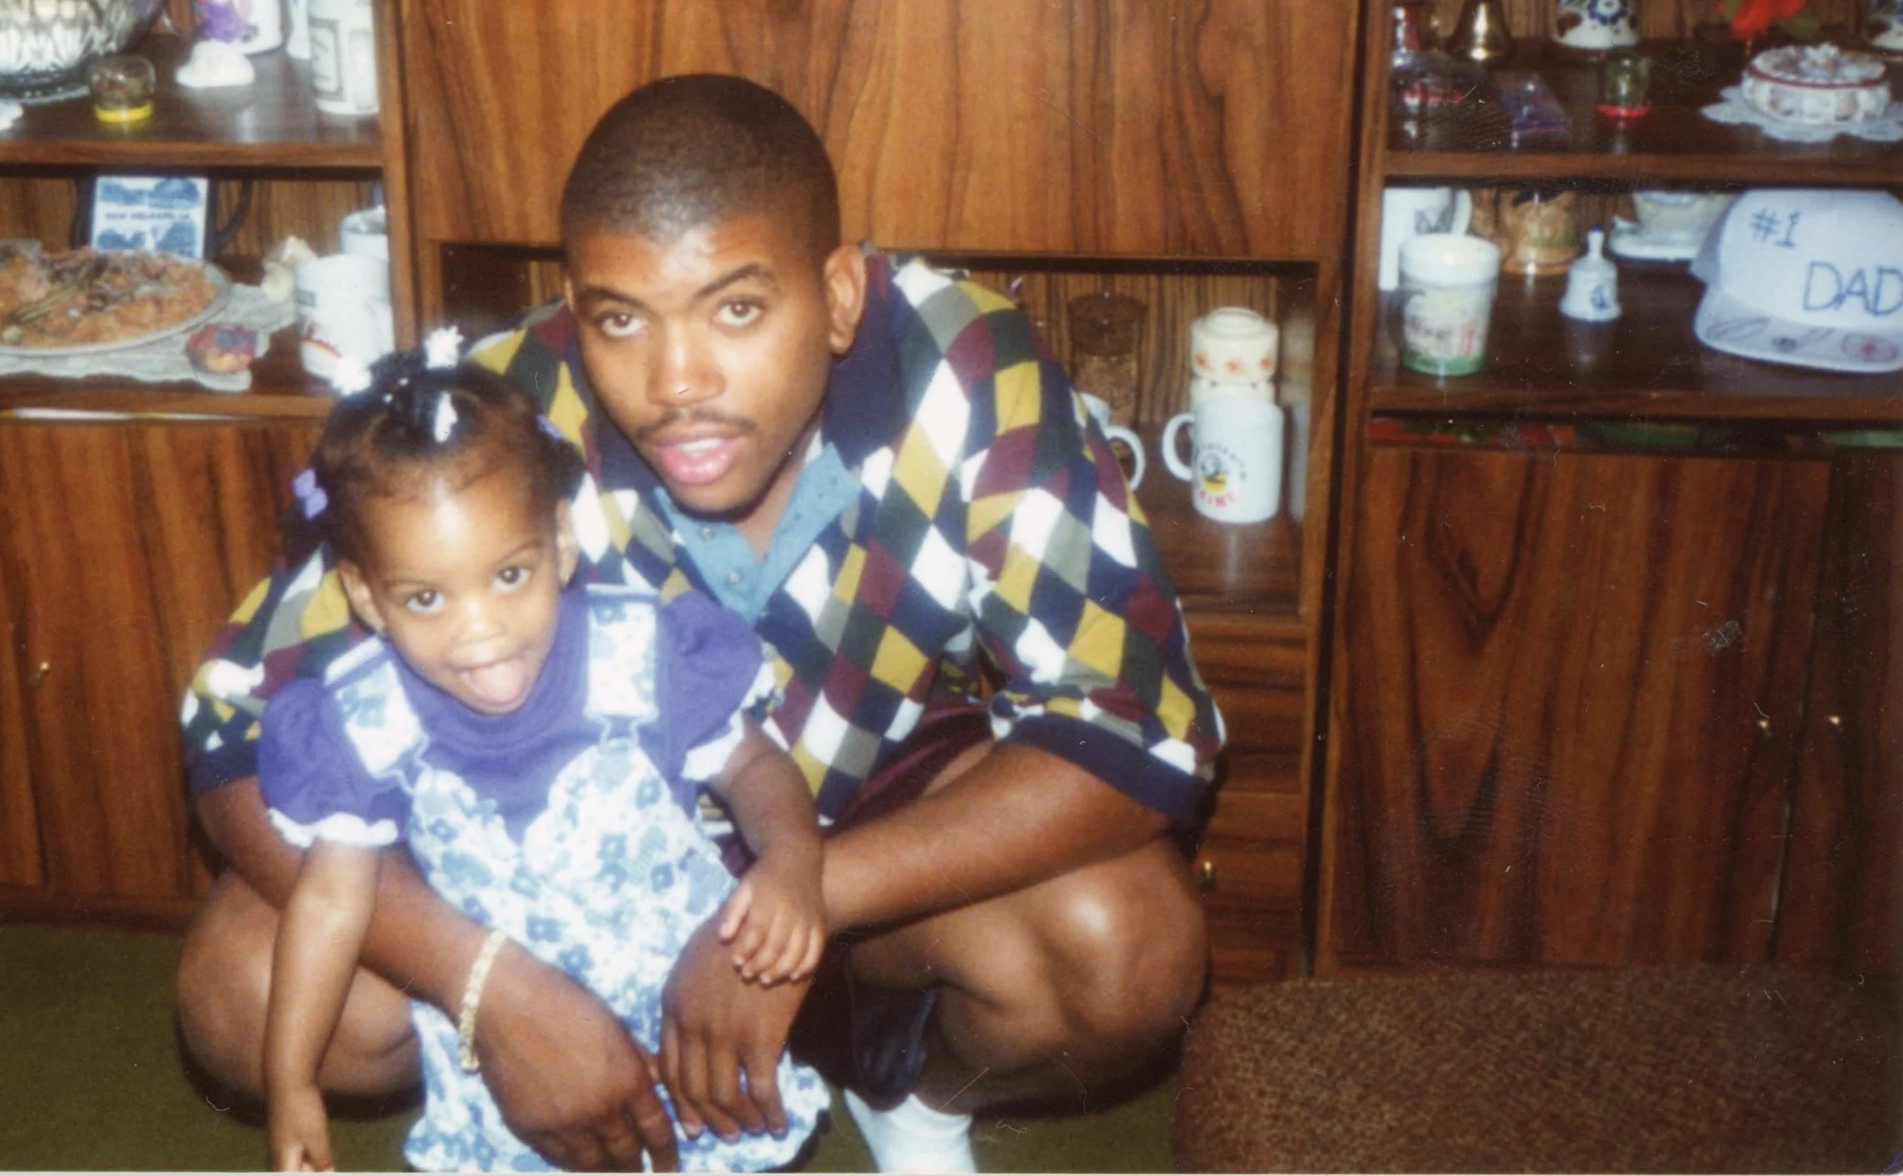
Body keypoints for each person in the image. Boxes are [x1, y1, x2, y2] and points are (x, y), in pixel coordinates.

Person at [181, 75, 1225, 1174]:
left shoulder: (969, 369)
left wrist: (795, 895)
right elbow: (234, 734)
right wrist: (488, 983)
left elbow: (1136, 727)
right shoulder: (500, 417)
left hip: (876, 862)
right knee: (240, 986)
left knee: (1131, 946)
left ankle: (917, 1097)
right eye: (619, 318)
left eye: (735, 308)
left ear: (834, 294)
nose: (675, 383)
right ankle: (547, 1078)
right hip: (562, 898)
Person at [259, 342, 831, 1172]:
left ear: (560, 543)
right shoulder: (362, 721)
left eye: (508, 575)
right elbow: (327, 906)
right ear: (364, 595)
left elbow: (752, 766)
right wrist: (290, 1082)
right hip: (513, 1058)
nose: (479, 628)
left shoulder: (639, 652)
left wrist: (792, 857)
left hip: (686, 1013)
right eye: (426, 596)